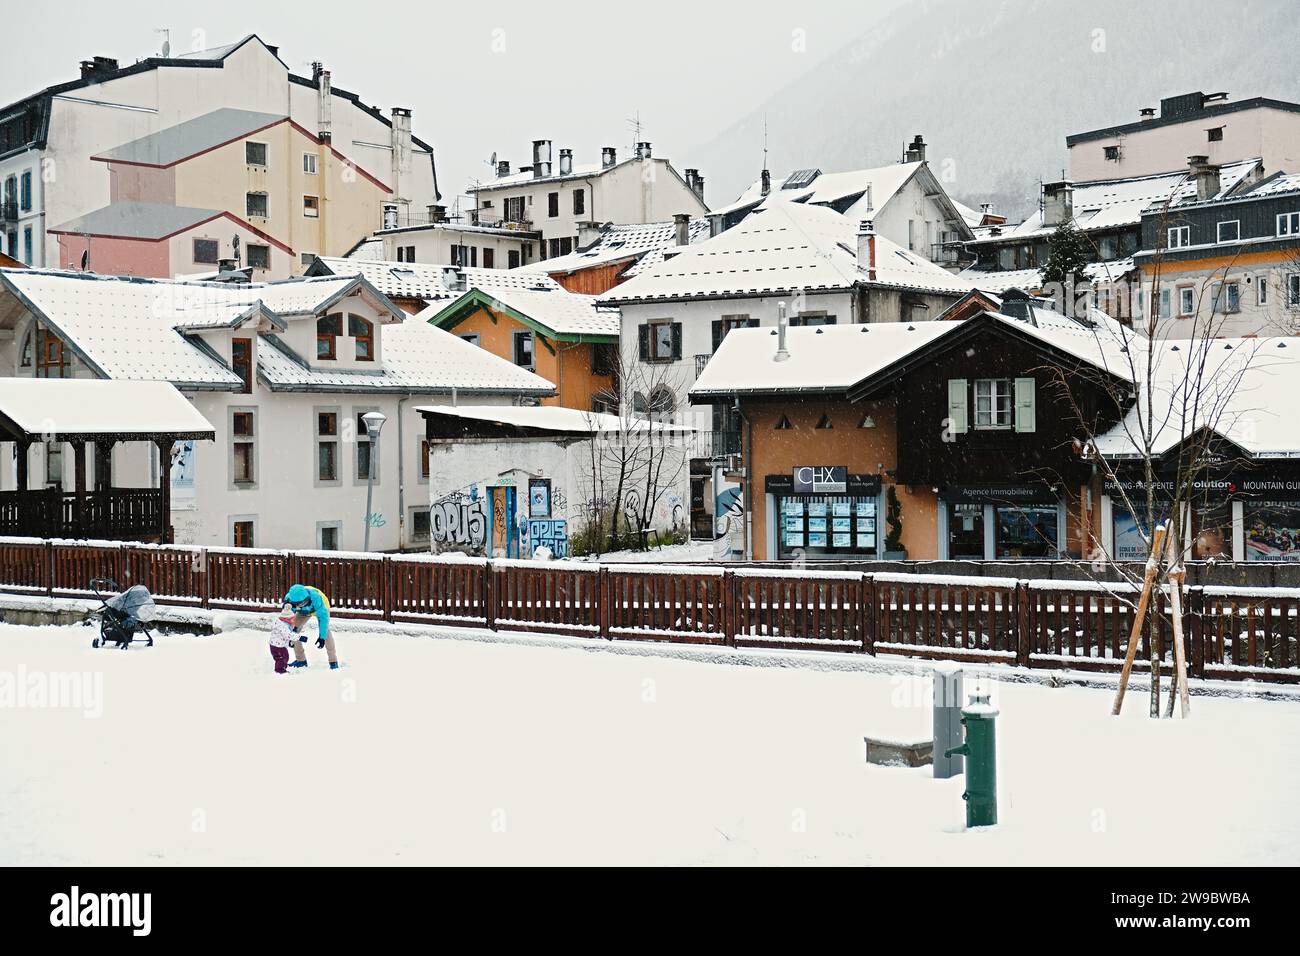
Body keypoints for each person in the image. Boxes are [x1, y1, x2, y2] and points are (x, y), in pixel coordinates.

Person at [283, 584, 338, 669]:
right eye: (301, 604)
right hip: (303, 612)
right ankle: (301, 661)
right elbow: (286, 620)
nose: (304, 604)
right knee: (294, 632)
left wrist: (322, 637)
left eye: (305, 602)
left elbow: (323, 620)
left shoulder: (316, 598)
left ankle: (333, 661)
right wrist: (289, 636)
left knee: (325, 632)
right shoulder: (289, 601)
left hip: (320, 607)